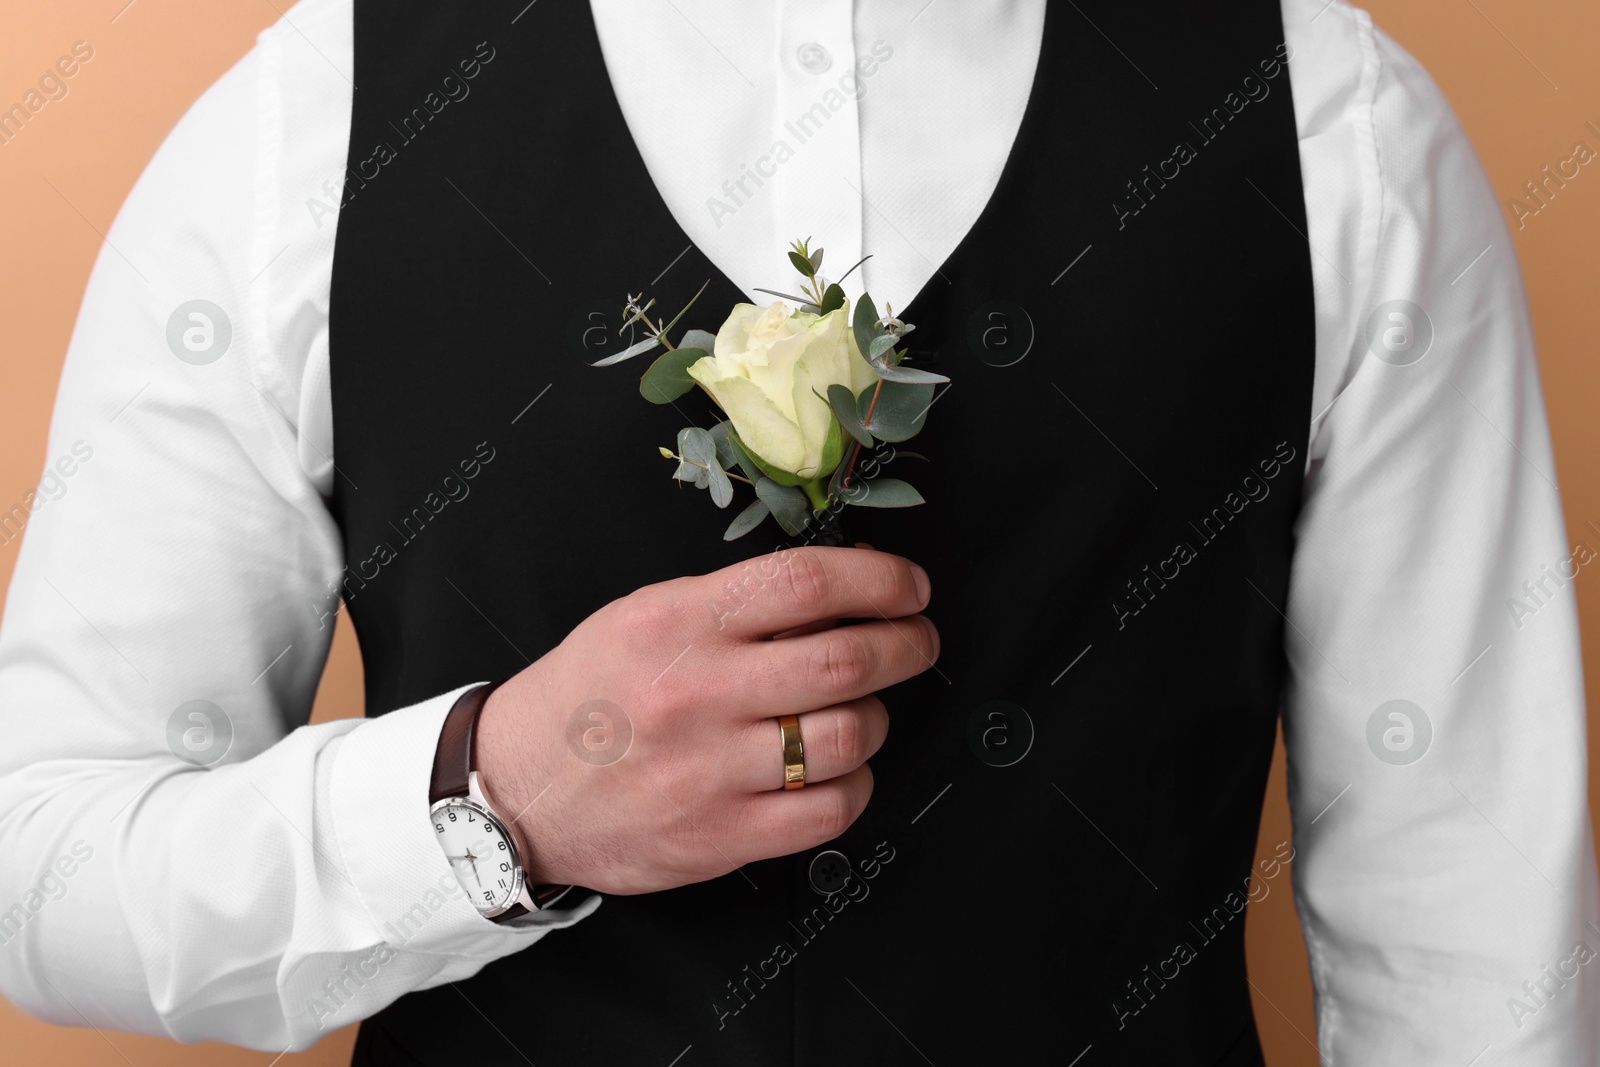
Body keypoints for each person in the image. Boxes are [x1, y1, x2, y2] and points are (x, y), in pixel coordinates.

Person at [1, 0, 1595, 1063]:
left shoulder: (1340, 126)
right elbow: (40, 861)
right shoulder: (303, 123)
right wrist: (492, 810)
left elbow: (1473, 932)